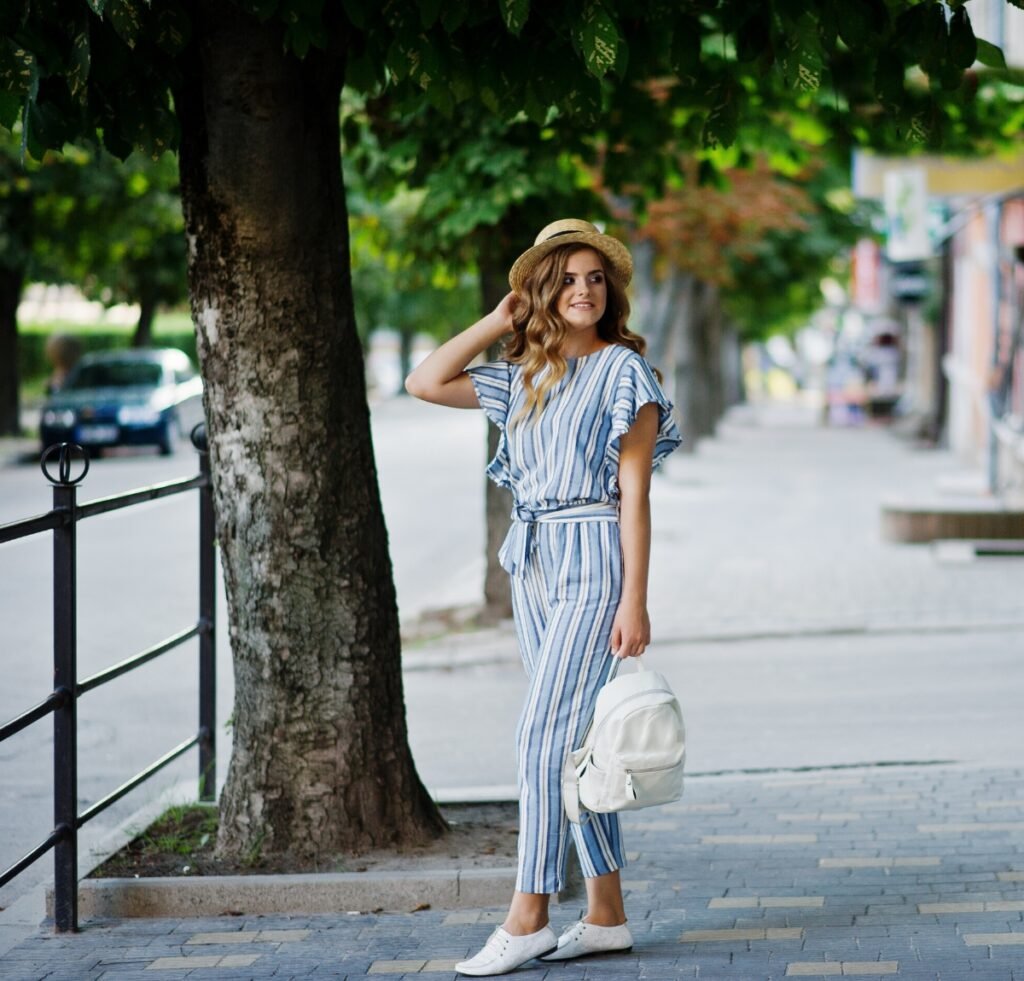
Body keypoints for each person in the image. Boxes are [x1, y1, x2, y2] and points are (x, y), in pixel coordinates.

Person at [405, 218, 682, 976]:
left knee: (539, 736)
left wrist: (635, 600)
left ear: (610, 291)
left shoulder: (625, 372)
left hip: (593, 555)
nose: (583, 290)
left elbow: (634, 496)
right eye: (566, 279)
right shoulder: (525, 374)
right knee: (574, 738)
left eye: (595, 278)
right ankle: (606, 913)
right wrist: (498, 320)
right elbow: (424, 381)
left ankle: (527, 915)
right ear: (541, 291)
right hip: (530, 558)